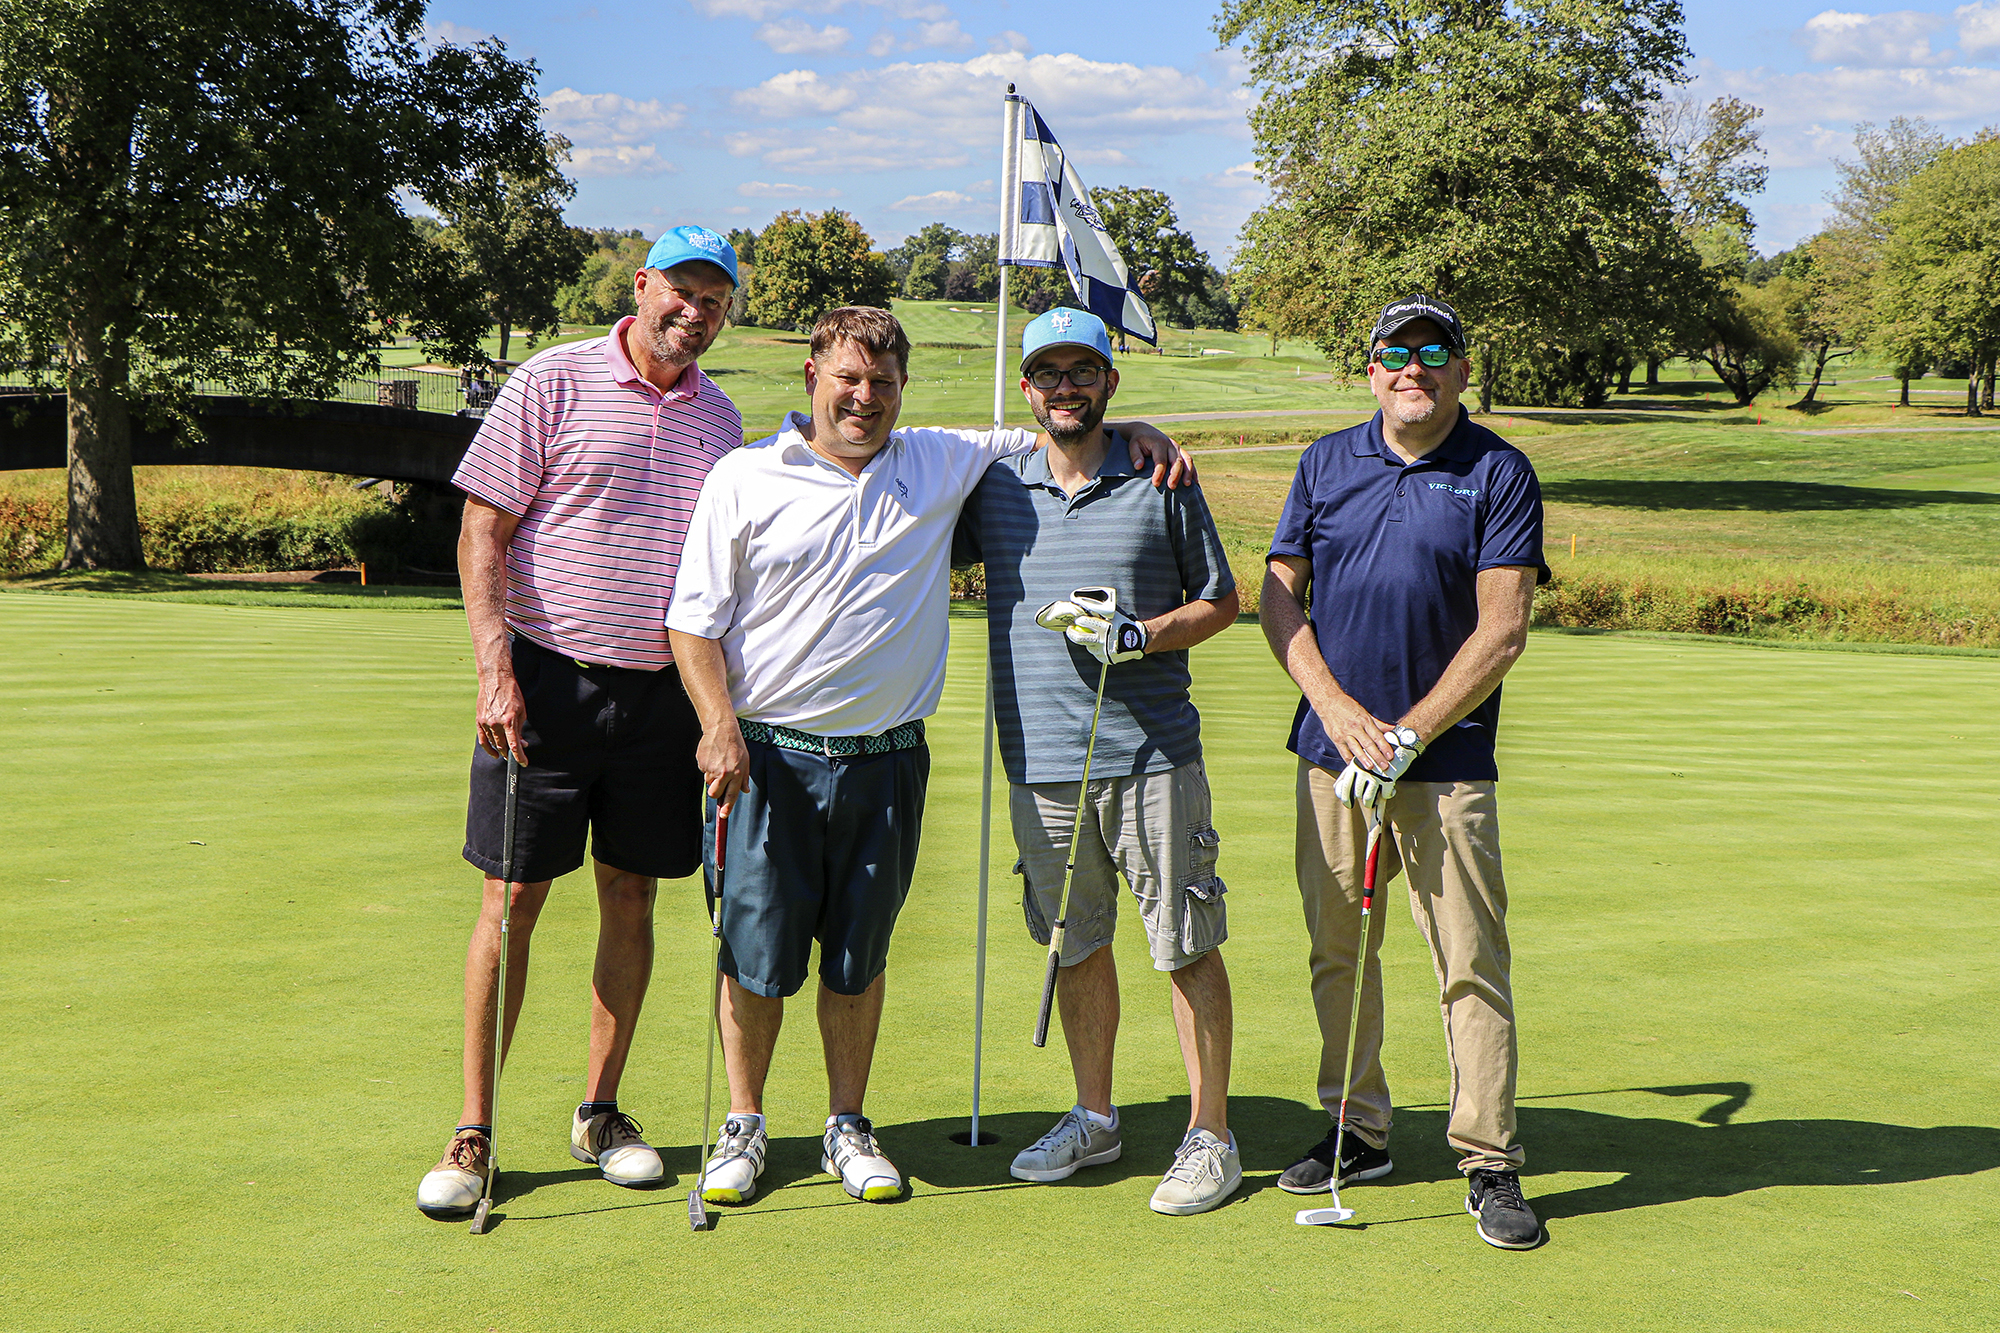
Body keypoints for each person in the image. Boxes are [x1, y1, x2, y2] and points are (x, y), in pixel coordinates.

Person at [665, 306, 1190, 1207]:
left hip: (888, 759)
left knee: (857, 955)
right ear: (813, 381)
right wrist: (716, 723)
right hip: (769, 757)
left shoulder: (939, 459)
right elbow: (692, 619)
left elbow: (1057, 431)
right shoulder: (745, 476)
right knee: (754, 954)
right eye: (848, 379)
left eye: (882, 383)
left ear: (902, 389)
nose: (864, 398)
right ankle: (745, 1124)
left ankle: (846, 1122)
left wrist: (1134, 427)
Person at [417, 226, 744, 1218]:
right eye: (681, 292)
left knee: (632, 895)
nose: (695, 313)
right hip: (545, 681)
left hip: (657, 696)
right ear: (642, 286)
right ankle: (473, 1130)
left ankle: (600, 1111)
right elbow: (483, 525)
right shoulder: (552, 380)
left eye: (715, 301)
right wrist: (494, 670)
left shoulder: (720, 420)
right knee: (511, 905)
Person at [1259, 294, 1551, 1250]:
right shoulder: (1325, 461)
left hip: (1446, 761)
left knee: (1468, 959)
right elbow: (1279, 603)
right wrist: (1342, 716)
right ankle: (1359, 1129)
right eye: (1395, 352)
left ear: (1463, 369)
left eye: (1434, 352)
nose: (1412, 368)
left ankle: (1487, 1159)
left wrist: (1408, 736)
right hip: (1331, 757)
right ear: (1370, 367)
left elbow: (1501, 629)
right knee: (1338, 949)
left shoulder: (1498, 471)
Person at [954, 308, 1243, 1215]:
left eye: (1084, 371)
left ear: (1110, 382)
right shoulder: (995, 488)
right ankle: (1095, 1114)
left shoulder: (1161, 477)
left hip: (1153, 755)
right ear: (1028, 387)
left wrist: (1142, 634)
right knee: (1074, 943)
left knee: (1185, 942)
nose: (1065, 386)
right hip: (1037, 760)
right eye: (1049, 373)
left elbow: (1222, 600)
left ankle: (1212, 1134)